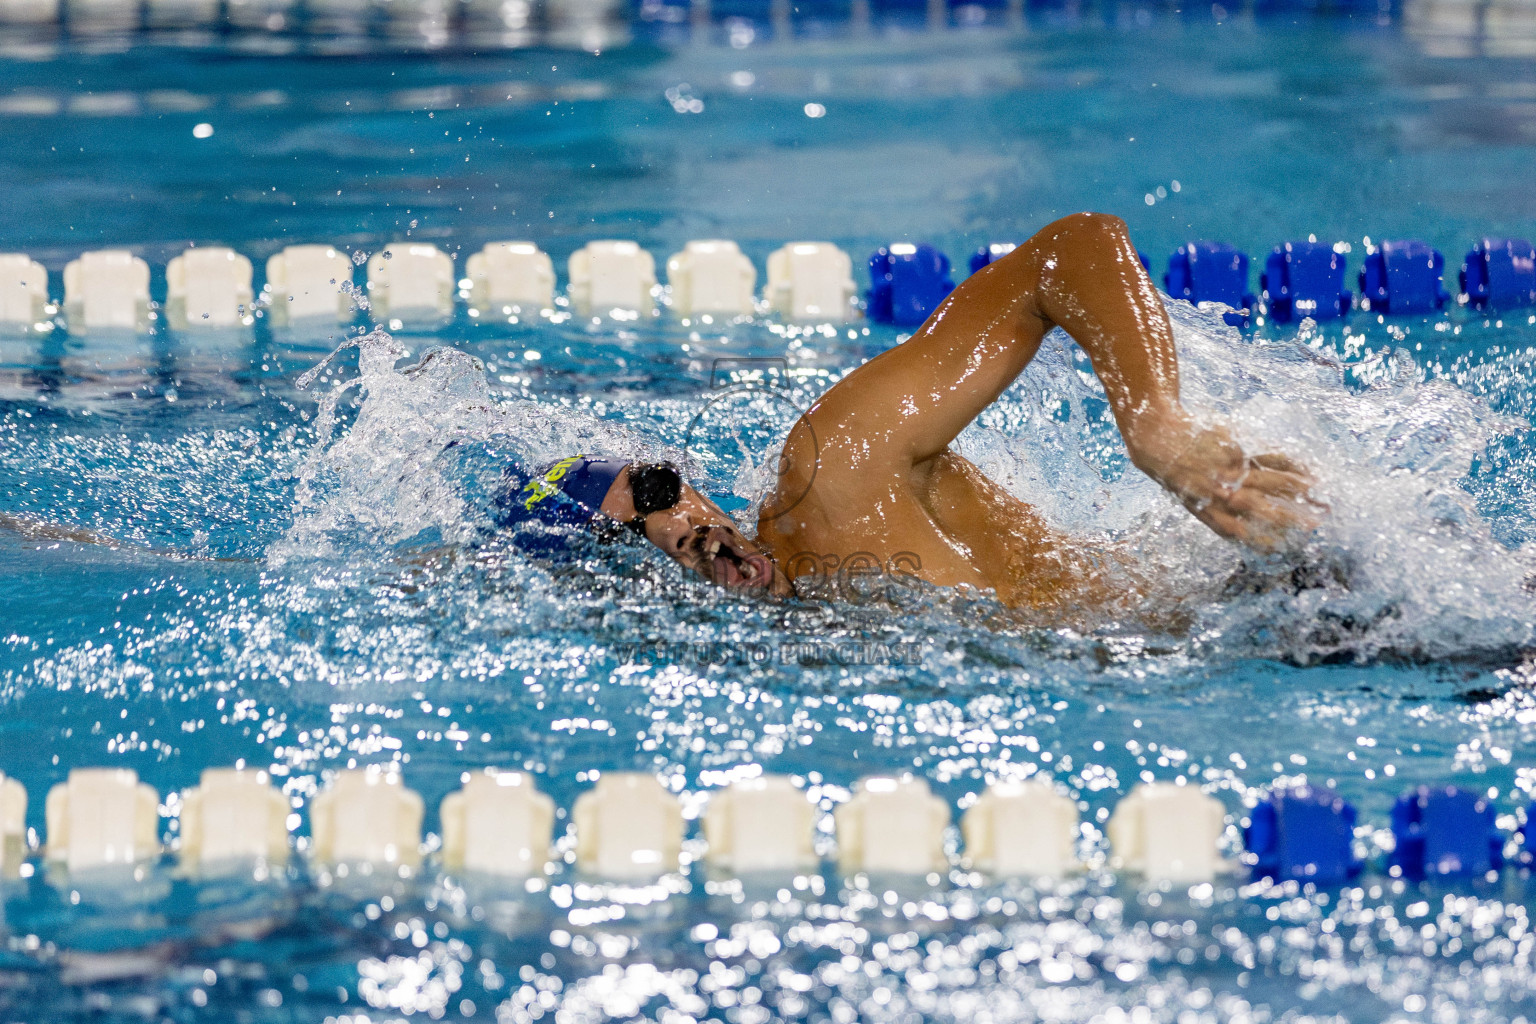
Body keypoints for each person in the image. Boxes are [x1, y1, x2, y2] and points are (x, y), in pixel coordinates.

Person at [506, 213, 1323, 614]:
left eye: (654, 489)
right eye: (623, 535)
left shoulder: (833, 474)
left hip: (1297, 590)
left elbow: (1069, 251)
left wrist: (1155, 428)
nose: (670, 526)